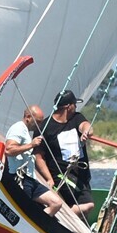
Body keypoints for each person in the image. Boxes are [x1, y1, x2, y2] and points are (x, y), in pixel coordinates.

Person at [38, 89, 96, 219]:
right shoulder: (45, 128)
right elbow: (39, 157)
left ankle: (69, 228)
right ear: (68, 106)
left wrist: (87, 131)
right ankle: (58, 219)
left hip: (81, 174)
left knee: (81, 211)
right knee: (87, 204)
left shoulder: (76, 118)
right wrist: (49, 178)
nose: (76, 107)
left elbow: (86, 125)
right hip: (61, 174)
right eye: (75, 104)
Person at [3, 106, 67, 217]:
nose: (39, 126)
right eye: (37, 122)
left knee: (56, 203)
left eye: (41, 122)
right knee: (24, 211)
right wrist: (31, 145)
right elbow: (8, 150)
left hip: (31, 179)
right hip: (21, 179)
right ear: (28, 117)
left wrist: (49, 179)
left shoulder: (26, 132)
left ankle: (38, 224)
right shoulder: (18, 128)